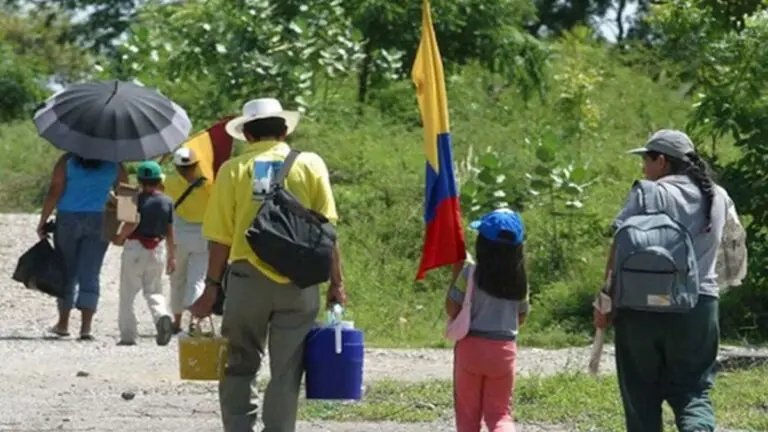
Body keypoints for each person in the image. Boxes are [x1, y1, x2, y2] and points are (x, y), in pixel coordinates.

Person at [189, 97, 347, 432]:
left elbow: (220, 237)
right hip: (300, 281)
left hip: (247, 281)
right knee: (288, 370)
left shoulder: (232, 170)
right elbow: (328, 231)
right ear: (284, 131)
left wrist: (211, 287)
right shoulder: (311, 164)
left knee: (238, 363)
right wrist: (337, 284)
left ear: (246, 135)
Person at [594, 129, 726, 432]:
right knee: (693, 390)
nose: (643, 167)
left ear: (662, 161)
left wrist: (605, 300)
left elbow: (619, 247)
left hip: (640, 309)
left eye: (646, 159)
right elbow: (731, 250)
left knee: (640, 394)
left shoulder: (648, 193)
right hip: (698, 306)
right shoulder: (718, 196)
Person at [446, 208, 529, 432]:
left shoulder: (470, 273)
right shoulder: (520, 280)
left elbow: (452, 309)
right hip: (503, 351)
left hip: (470, 349)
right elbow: (521, 317)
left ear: (482, 245)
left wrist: (456, 272)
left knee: (467, 415)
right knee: (500, 414)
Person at [37, 153, 127, 340]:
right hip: (100, 219)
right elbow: (126, 194)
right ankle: (86, 328)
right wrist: (127, 228)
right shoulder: (116, 164)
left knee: (66, 270)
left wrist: (43, 220)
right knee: (91, 271)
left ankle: (63, 323)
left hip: (68, 218)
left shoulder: (67, 160)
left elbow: (55, 190)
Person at [113, 160, 176, 347]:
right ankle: (162, 315)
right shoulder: (167, 201)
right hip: (158, 248)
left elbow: (130, 223)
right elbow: (170, 231)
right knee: (154, 290)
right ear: (159, 180)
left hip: (135, 247)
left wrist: (119, 238)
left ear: (139, 180)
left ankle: (128, 335)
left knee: (128, 293)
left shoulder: (132, 199)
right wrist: (172, 256)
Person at [164, 147, 212, 333]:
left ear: (176, 167)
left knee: (177, 280)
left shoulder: (169, 181)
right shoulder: (208, 183)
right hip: (202, 234)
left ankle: (176, 322)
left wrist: (163, 158)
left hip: (178, 234)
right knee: (197, 279)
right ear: (196, 164)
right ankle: (195, 320)